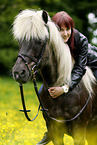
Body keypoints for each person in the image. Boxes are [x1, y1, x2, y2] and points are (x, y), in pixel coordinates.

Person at [37, 11, 97, 145]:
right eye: (60, 30)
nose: (65, 33)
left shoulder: (81, 40)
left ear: (72, 28)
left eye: (68, 29)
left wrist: (64, 89)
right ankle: (50, 131)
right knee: (42, 91)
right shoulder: (51, 40)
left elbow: (80, 69)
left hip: (91, 65)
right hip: (70, 67)